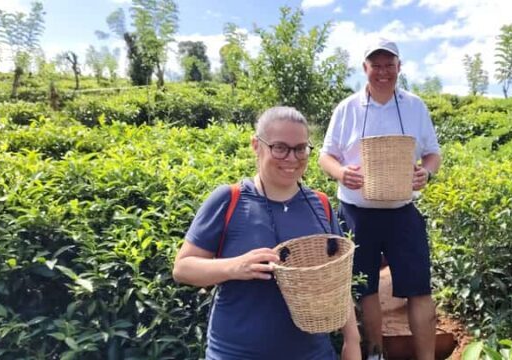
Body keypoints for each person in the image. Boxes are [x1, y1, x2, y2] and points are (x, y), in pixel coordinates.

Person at [173, 106, 361, 360]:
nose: (292, 158)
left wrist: (352, 340)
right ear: (256, 145)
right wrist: (234, 267)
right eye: (280, 148)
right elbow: (183, 268)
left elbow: (336, 282)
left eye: (300, 148)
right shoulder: (230, 200)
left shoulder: (321, 205)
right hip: (236, 353)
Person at [318, 38, 442, 360]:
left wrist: (426, 173)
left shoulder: (415, 106)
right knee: (366, 287)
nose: (383, 71)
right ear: (365, 68)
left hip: (402, 210)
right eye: (376, 65)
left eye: (390, 64)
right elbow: (325, 156)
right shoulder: (347, 108)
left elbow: (433, 154)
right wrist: (342, 173)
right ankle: (375, 354)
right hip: (357, 211)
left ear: (399, 67)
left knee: (418, 287)